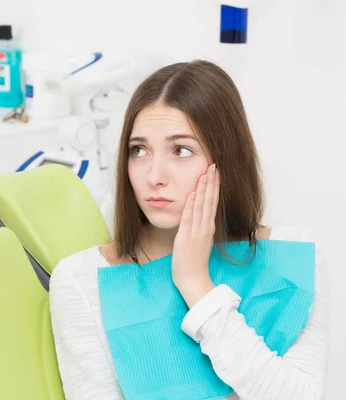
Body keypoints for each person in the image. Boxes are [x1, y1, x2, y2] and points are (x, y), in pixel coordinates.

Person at [49, 60, 329, 399]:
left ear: (227, 159)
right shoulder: (82, 281)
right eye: (139, 150)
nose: (154, 176)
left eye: (181, 150)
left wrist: (197, 285)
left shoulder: (293, 257)